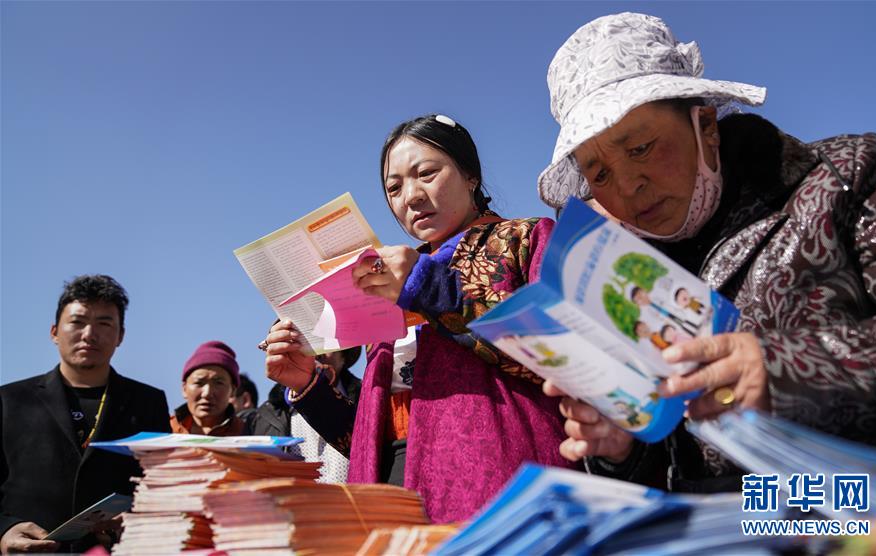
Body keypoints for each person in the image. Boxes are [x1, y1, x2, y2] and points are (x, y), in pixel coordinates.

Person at [536, 12, 876, 492]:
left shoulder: (849, 175)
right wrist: (620, 448)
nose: (627, 185)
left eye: (641, 148)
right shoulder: (619, 274)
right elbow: (666, 459)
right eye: (598, 174)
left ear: (704, 124)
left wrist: (783, 369)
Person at [263, 114, 574, 522]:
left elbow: (567, 358)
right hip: (389, 503)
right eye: (394, 187)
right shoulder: (387, 283)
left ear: (470, 176)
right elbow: (371, 442)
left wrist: (427, 286)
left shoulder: (525, 239)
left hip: (503, 492)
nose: (410, 197)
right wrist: (308, 384)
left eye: (426, 173)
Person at [0, 275, 170, 553]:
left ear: (121, 336)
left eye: (104, 323)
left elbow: (161, 486)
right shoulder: (9, 400)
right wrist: (3, 531)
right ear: (54, 331)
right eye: (77, 322)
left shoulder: (148, 402)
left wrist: (135, 523)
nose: (90, 334)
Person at [252, 347, 362, 483]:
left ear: (344, 356)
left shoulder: (368, 403)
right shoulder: (267, 415)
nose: (314, 353)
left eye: (323, 342)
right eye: (304, 343)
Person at [170, 341, 247, 436]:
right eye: (199, 383)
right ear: (184, 389)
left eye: (218, 383)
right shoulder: (164, 429)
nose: (207, 393)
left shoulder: (248, 433)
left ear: (233, 391)